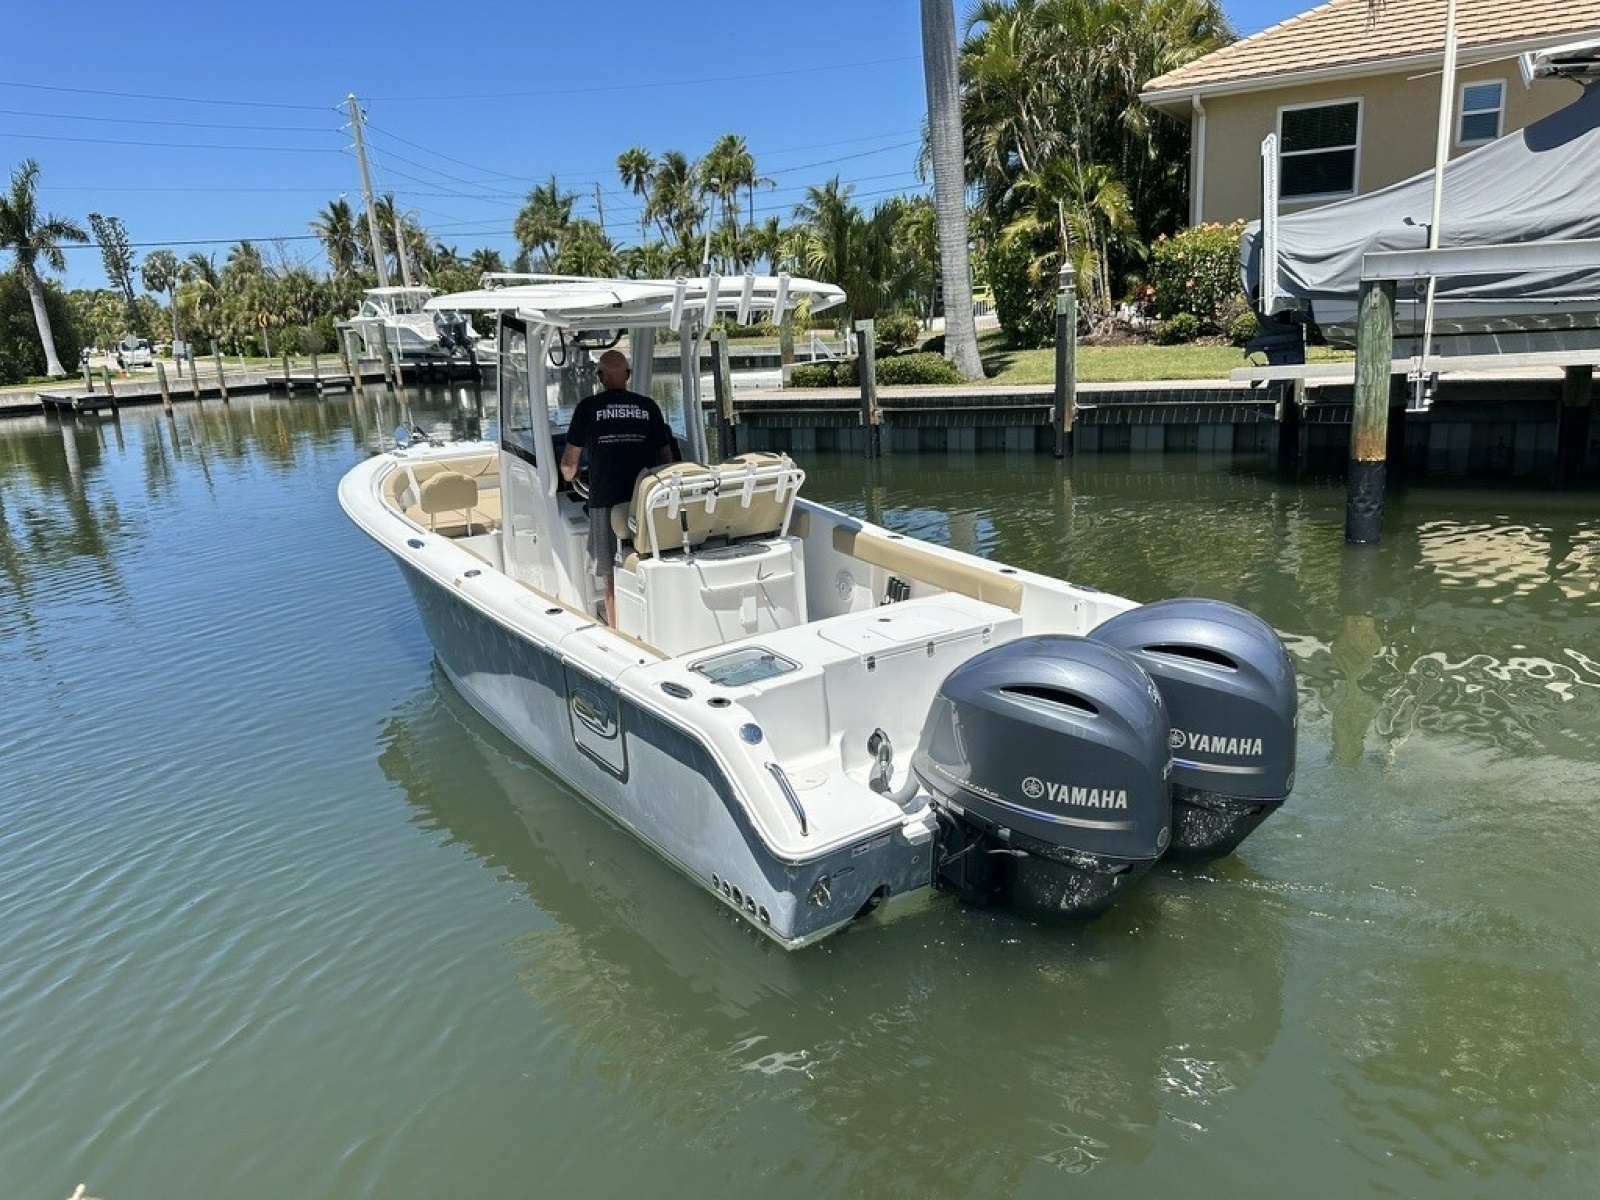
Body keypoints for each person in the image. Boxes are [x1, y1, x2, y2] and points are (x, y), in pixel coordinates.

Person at [560, 348, 674, 626]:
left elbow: (569, 465)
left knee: (611, 572)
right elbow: (667, 459)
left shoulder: (587, 408)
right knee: (647, 559)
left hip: (606, 500)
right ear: (628, 375)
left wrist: (569, 476)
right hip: (644, 501)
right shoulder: (649, 407)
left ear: (600, 377)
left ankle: (616, 629)